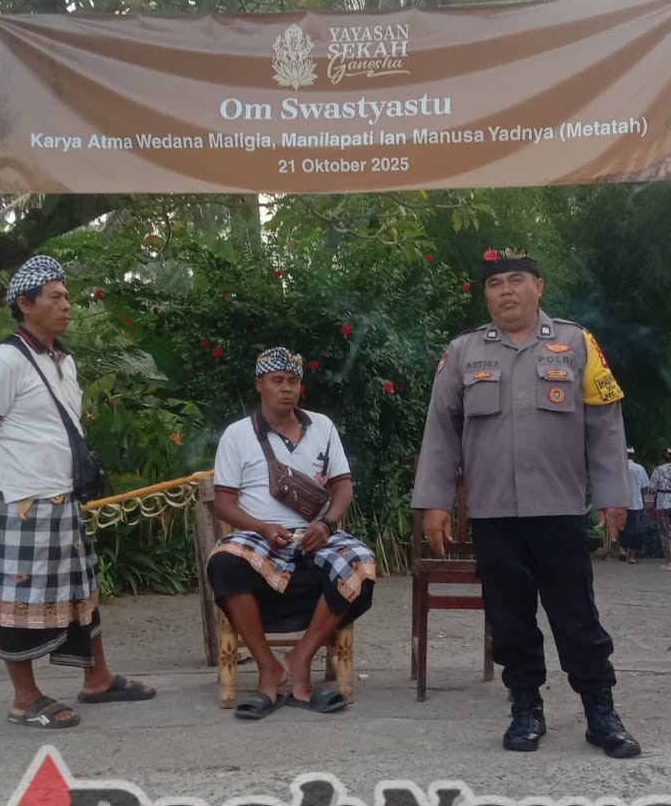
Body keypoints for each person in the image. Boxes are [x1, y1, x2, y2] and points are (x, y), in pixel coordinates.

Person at [413, 247, 641, 758]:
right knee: (509, 616)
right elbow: (440, 432)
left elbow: (605, 425)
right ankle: (525, 708)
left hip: (558, 510)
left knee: (575, 613)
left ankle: (600, 711)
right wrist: (435, 502)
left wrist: (611, 495)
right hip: (494, 515)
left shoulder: (576, 344)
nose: (506, 291)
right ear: (486, 293)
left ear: (538, 286)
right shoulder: (464, 352)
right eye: (496, 284)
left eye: (517, 281)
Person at [0, 254, 155, 730]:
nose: (67, 304)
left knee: (79, 590)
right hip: (21, 501)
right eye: (55, 297)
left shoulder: (63, 360)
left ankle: (97, 679)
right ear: (25, 305)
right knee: (18, 598)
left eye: (67, 295)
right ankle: (24, 698)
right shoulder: (4, 362)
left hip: (60, 497)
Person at [208, 347, 376, 719]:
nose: (286, 389)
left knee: (361, 566)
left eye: (293, 381)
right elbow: (224, 503)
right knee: (224, 564)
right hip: (257, 537)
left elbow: (343, 488)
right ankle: (268, 667)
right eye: (277, 381)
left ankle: (300, 658)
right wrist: (261, 527)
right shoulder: (238, 435)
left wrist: (327, 524)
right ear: (259, 384)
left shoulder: (323, 427)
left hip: (316, 535)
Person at [619, 446, 651, 564]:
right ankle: (632, 557)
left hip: (621, 503)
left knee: (622, 528)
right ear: (633, 456)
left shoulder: (619, 468)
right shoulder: (639, 469)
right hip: (636, 504)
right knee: (635, 531)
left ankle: (622, 550)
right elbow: (644, 488)